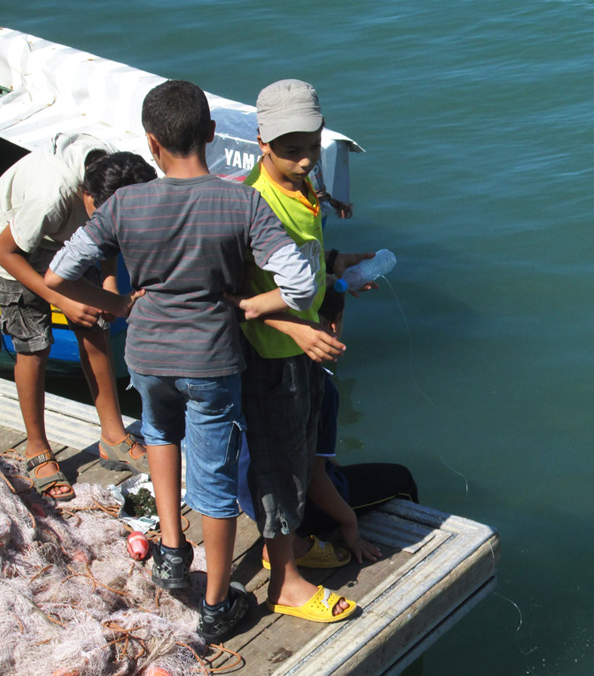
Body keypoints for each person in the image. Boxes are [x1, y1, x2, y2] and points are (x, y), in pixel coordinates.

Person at [45, 80, 318, 643]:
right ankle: (217, 604)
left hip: (145, 354)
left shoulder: (125, 203)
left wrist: (119, 303)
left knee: (161, 437)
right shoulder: (242, 202)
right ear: (212, 135)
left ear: (151, 143)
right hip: (210, 360)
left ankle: (172, 549)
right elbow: (301, 281)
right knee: (214, 480)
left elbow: (59, 275)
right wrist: (245, 304)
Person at [236, 79, 375, 624]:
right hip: (272, 356)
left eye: (310, 147)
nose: (303, 160)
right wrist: (294, 329)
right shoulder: (253, 205)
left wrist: (336, 269)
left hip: (305, 350)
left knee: (302, 454)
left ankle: (286, 551)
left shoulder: (305, 190)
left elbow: (304, 263)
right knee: (277, 464)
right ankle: (286, 584)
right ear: (261, 143)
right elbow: (230, 297)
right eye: (289, 150)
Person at [0, 135, 152, 503]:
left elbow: (110, 237)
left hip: (69, 241)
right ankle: (38, 448)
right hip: (15, 244)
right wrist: (60, 299)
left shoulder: (117, 173)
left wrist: (109, 286)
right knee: (34, 346)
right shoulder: (49, 195)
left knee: (95, 326)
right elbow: (6, 252)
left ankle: (113, 435)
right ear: (88, 196)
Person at [239, 286, 419, 567]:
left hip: (250, 498)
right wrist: (349, 525)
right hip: (296, 511)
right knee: (401, 479)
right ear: (330, 325)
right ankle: (412, 558)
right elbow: (313, 478)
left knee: (326, 464)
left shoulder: (256, 369)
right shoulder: (318, 387)